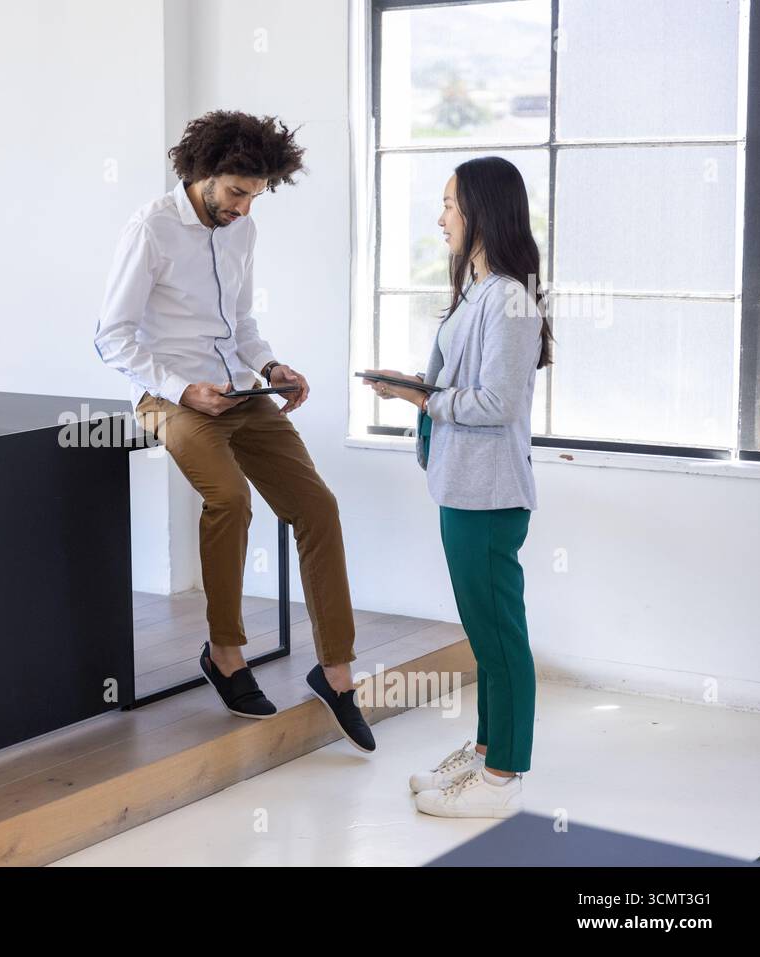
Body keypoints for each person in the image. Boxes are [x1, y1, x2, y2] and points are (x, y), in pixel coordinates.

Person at [94, 110, 373, 752]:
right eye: (237, 192)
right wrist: (183, 388)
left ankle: (337, 673)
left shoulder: (241, 232)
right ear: (203, 173)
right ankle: (225, 652)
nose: (245, 208)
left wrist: (271, 366)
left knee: (317, 508)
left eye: (256, 195)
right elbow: (113, 336)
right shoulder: (150, 229)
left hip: (242, 392)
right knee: (230, 499)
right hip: (172, 397)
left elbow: (240, 324)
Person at [363, 155, 553, 817]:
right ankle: (483, 755)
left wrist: (427, 398)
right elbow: (457, 387)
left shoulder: (507, 298)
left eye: (449, 203)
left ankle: (503, 778)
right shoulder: (478, 289)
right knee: (486, 635)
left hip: (490, 495)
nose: (440, 216)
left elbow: (495, 402)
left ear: (481, 210)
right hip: (463, 486)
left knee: (500, 636)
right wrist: (415, 389)